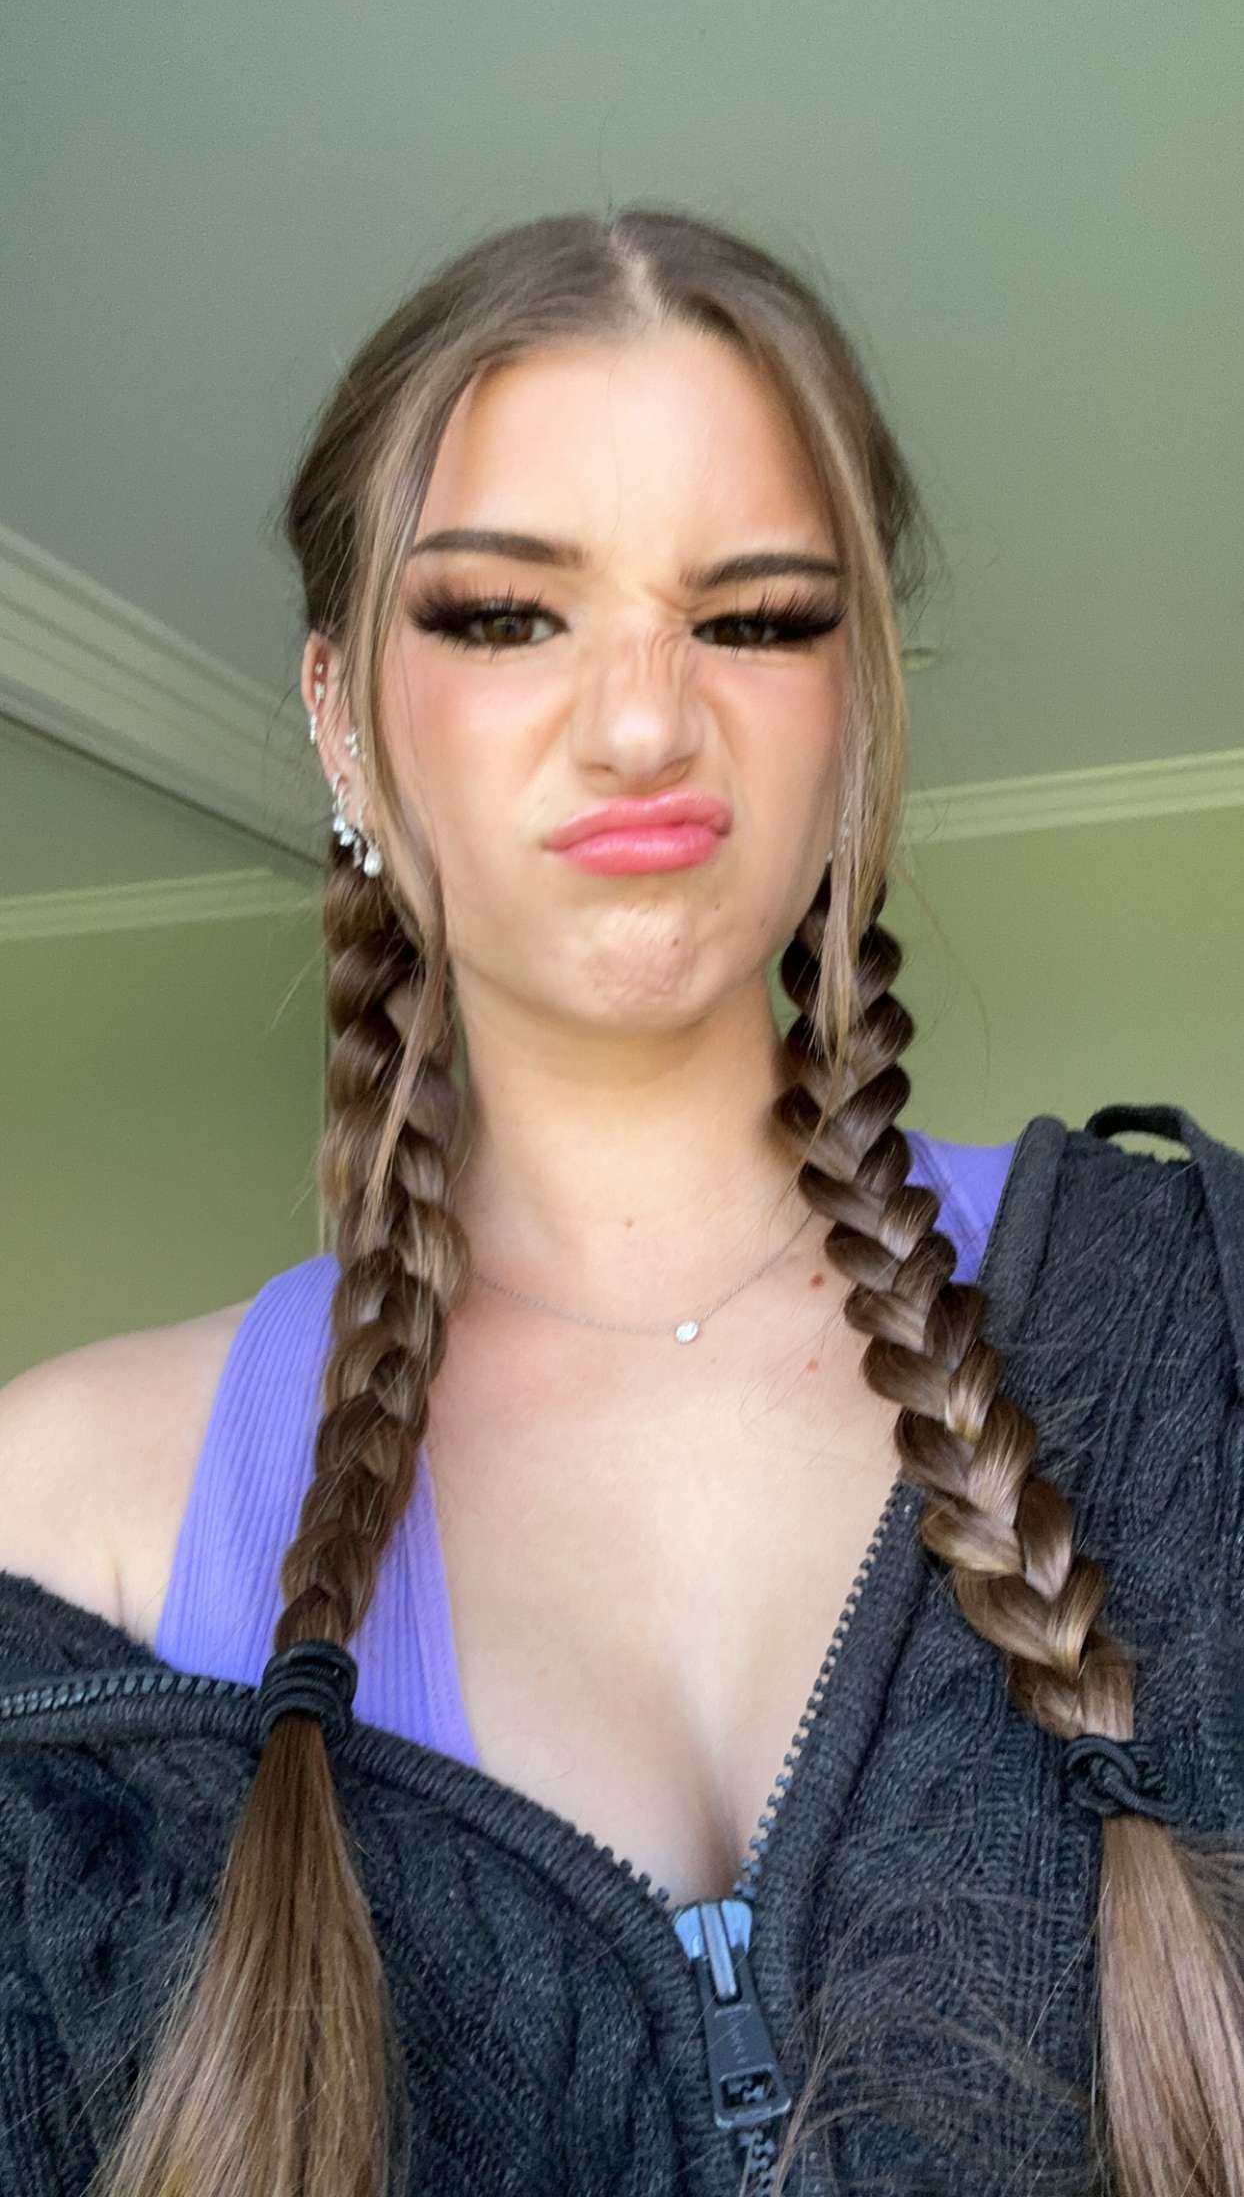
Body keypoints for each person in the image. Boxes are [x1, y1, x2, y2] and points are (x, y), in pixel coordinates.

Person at [0, 207, 1241, 2197]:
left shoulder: (1198, 1324)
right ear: (338, 716)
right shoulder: (65, 1534)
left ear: (856, 708)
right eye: (507, 616)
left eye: (756, 618)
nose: (646, 721)